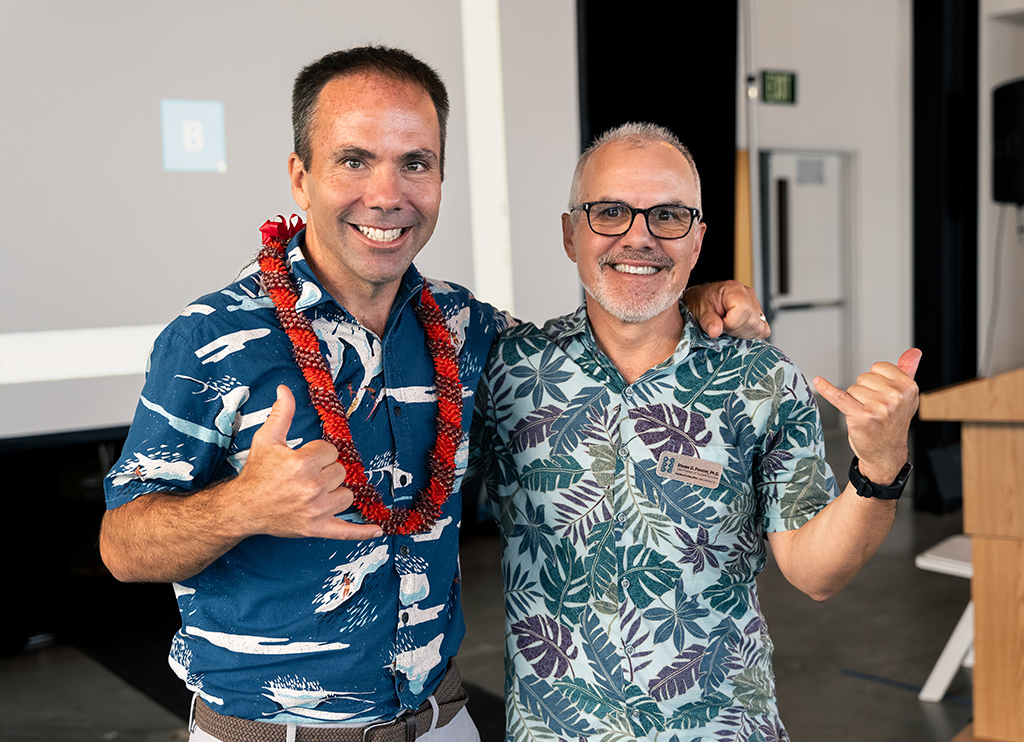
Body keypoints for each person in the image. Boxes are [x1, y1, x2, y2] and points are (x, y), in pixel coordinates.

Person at [98, 48, 766, 742]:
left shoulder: (466, 329)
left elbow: (599, 348)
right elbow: (122, 547)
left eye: (415, 162)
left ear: (441, 176)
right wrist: (242, 505)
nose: (387, 193)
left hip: (441, 722)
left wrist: (687, 297)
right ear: (300, 178)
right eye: (354, 160)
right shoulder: (212, 337)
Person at [470, 123, 921, 741]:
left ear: (698, 238)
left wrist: (880, 466)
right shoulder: (505, 368)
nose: (640, 237)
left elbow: (816, 574)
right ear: (571, 234)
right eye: (610, 213)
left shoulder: (760, 378)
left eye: (668, 216)